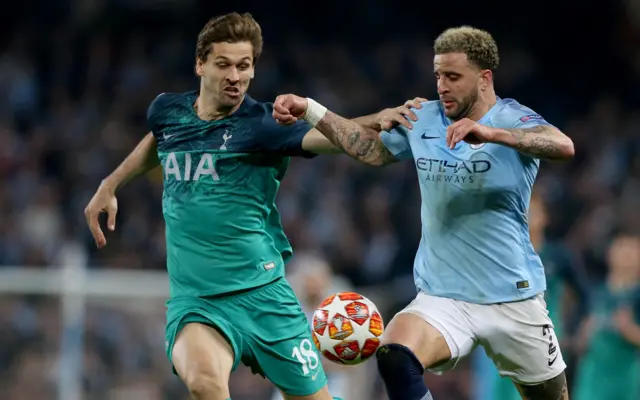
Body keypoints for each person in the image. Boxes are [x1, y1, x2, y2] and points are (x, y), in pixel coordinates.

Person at [83, 12, 423, 400]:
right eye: (224, 64)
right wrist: (110, 184)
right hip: (198, 303)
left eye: (244, 66)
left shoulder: (263, 125)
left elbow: (341, 141)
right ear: (200, 64)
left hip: (266, 299)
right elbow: (159, 140)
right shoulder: (167, 112)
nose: (235, 76)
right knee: (205, 383)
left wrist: (375, 120)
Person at [272, 26, 575, 400]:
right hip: (443, 295)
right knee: (395, 356)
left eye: (453, 77)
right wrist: (312, 110)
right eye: (437, 76)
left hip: (513, 296)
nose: (442, 86)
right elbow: (369, 149)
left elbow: (562, 145)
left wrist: (493, 135)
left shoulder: (511, 118)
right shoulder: (423, 118)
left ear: (484, 78)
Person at [473, 190, 590, 400]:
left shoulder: (558, 256)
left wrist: (573, 331)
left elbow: (585, 297)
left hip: (541, 343)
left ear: (545, 217)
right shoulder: (500, 255)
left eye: (531, 211)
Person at [573, 234, 640, 400]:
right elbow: (576, 344)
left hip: (626, 382)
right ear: (609, 254)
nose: (626, 255)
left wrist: (629, 329)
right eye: (621, 248)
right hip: (592, 382)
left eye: (633, 250)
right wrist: (584, 335)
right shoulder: (593, 293)